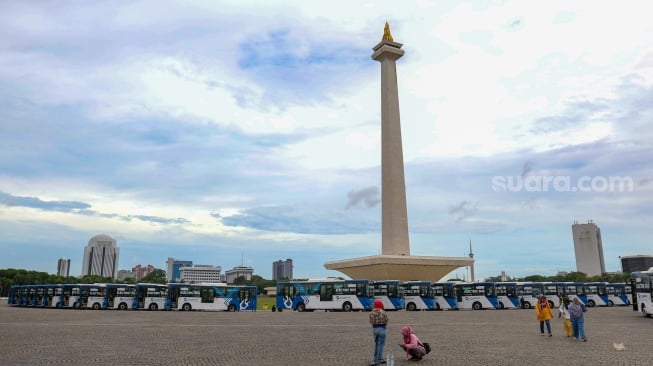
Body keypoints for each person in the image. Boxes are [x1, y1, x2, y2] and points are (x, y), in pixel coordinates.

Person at [369, 299, 388, 366]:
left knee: (377, 344)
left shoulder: (371, 312)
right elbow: (386, 320)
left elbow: (371, 321)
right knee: (380, 345)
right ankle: (378, 361)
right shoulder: (383, 312)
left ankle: (376, 358)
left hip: (375, 329)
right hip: (382, 329)